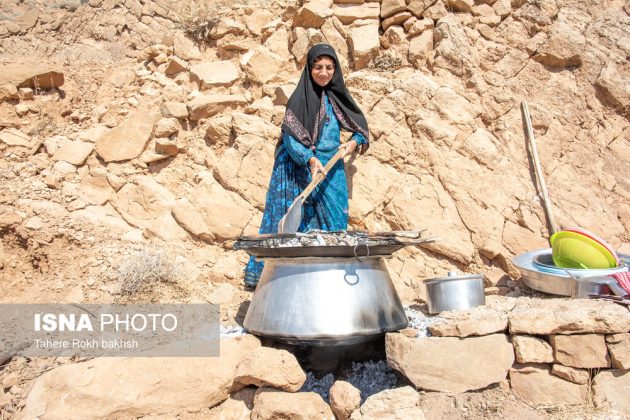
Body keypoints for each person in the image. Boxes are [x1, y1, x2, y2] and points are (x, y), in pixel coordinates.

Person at [243, 43, 370, 287]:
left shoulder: (338, 99)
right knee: (293, 224)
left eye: (329, 67)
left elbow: (361, 130)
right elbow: (291, 140)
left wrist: (352, 144)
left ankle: (331, 277)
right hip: (299, 169)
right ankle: (284, 281)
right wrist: (310, 160)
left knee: (335, 221)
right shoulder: (297, 101)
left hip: (331, 171)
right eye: (318, 67)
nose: (324, 73)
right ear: (309, 68)